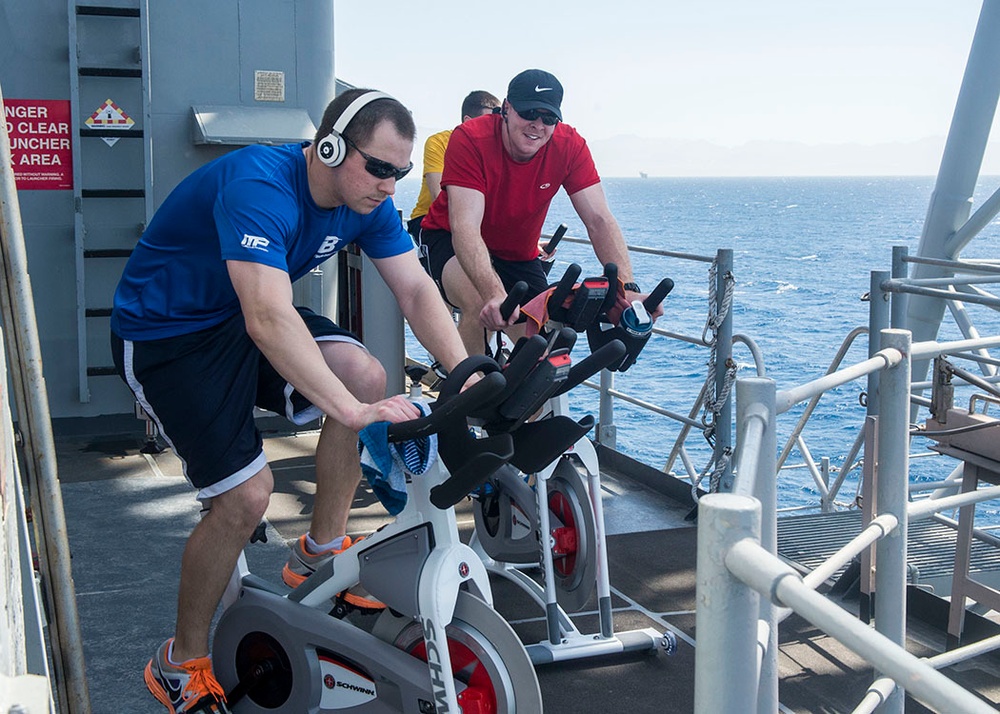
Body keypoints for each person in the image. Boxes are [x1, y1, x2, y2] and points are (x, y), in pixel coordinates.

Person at [110, 88, 469, 714]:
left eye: (402, 172)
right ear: (329, 148)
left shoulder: (368, 201)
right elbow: (269, 319)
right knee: (244, 499)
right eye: (379, 167)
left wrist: (463, 372)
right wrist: (355, 417)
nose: (390, 186)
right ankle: (179, 662)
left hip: (239, 317)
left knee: (364, 371)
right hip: (168, 335)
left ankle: (319, 554)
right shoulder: (260, 184)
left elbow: (414, 288)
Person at [419, 68, 661, 356]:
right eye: (528, 113)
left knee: (536, 350)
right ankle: (471, 388)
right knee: (478, 301)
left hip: (516, 254)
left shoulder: (569, 145)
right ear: (506, 109)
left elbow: (599, 220)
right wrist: (495, 293)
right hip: (448, 239)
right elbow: (466, 228)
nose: (537, 124)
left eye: (548, 118)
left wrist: (628, 288)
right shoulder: (471, 139)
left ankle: (528, 398)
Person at [406, 90, 500, 240]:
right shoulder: (439, 142)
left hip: (471, 221)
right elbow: (439, 196)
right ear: (468, 121)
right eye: (487, 122)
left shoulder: (496, 151)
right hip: (429, 220)